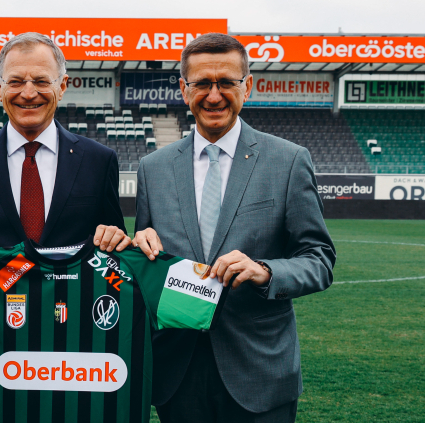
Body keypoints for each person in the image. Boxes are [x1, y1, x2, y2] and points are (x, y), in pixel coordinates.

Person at [0, 32, 131, 422]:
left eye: (41, 80)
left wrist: (115, 241)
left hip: (75, 352)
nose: (28, 93)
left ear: (63, 85)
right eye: (16, 81)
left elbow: (113, 256)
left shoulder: (98, 160)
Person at [133, 33, 335, 422]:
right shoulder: (153, 169)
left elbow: (319, 258)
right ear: (183, 88)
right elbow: (148, 259)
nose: (214, 95)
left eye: (226, 82)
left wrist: (266, 270)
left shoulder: (288, 161)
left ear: (248, 86)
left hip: (259, 371)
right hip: (178, 370)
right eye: (202, 83)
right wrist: (142, 245)